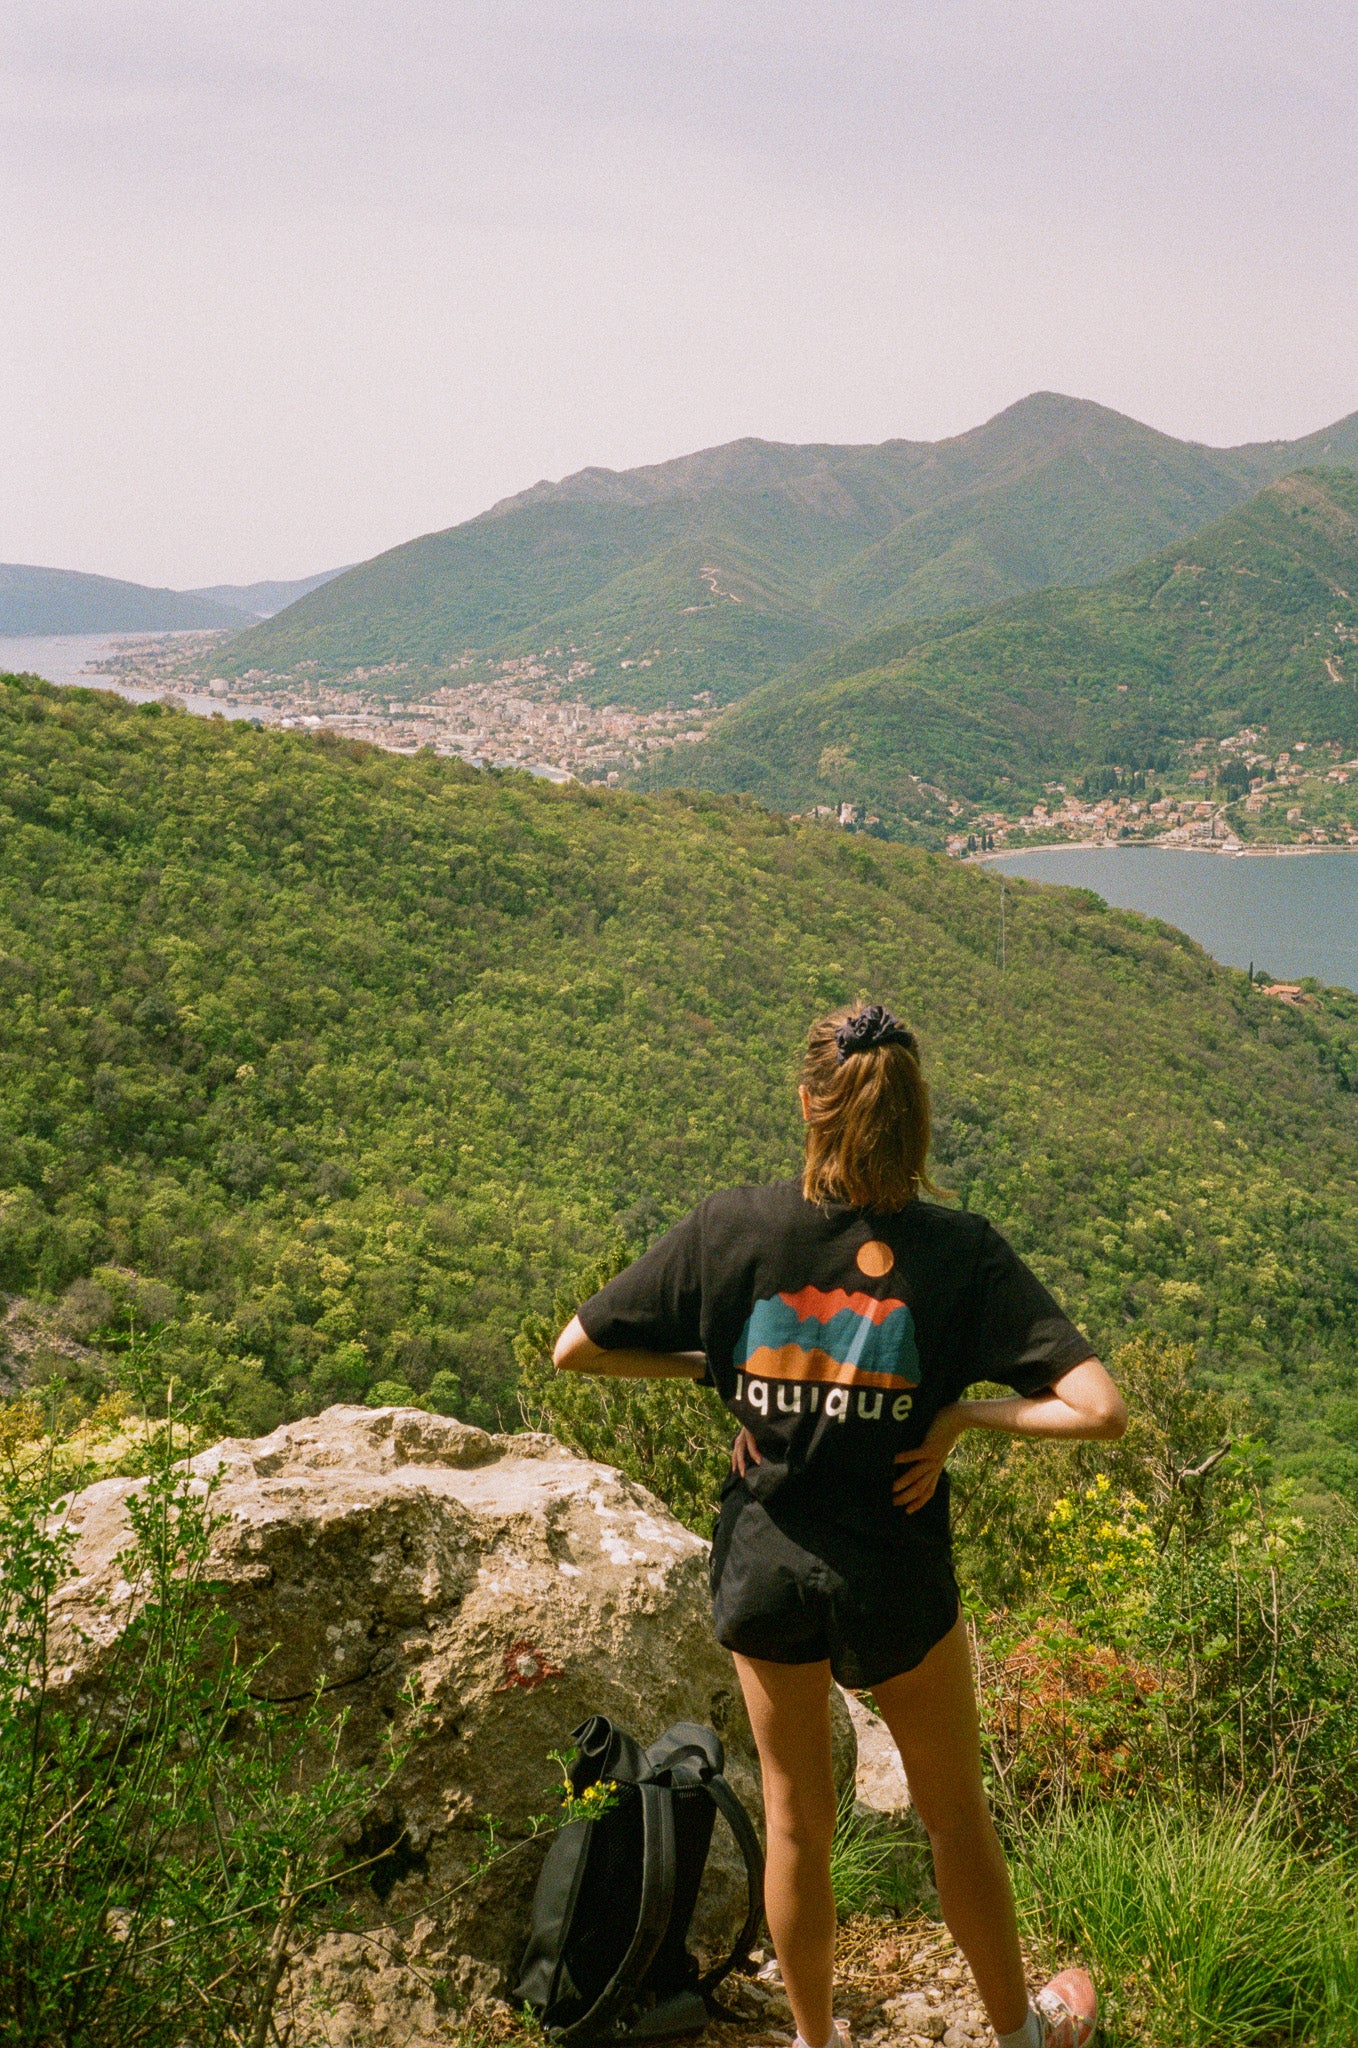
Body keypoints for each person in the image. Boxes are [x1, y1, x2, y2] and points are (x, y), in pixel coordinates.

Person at [553, 1004, 1125, 2048]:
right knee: (955, 1819)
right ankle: (1017, 2034)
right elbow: (1097, 1407)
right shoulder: (958, 1252)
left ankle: (817, 2042)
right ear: (916, 1121)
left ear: (807, 1103)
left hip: (765, 1565)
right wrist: (957, 1415)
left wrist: (728, 1375)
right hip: (894, 1574)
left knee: (793, 1823)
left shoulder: (733, 1225)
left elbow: (575, 1348)